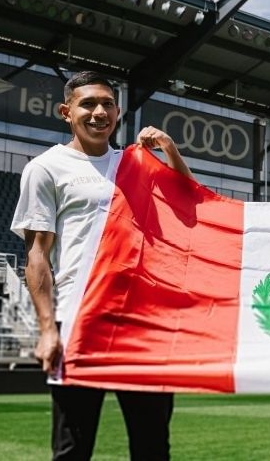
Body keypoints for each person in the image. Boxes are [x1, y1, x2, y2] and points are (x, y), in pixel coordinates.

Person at [11, 70, 193, 460]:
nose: (99, 112)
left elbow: (191, 206)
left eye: (107, 104)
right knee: (72, 449)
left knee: (153, 447)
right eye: (88, 103)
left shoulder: (137, 163)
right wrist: (47, 330)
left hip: (144, 325)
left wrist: (169, 150)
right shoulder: (46, 168)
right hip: (81, 321)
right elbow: (37, 256)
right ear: (66, 111)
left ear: (118, 111)